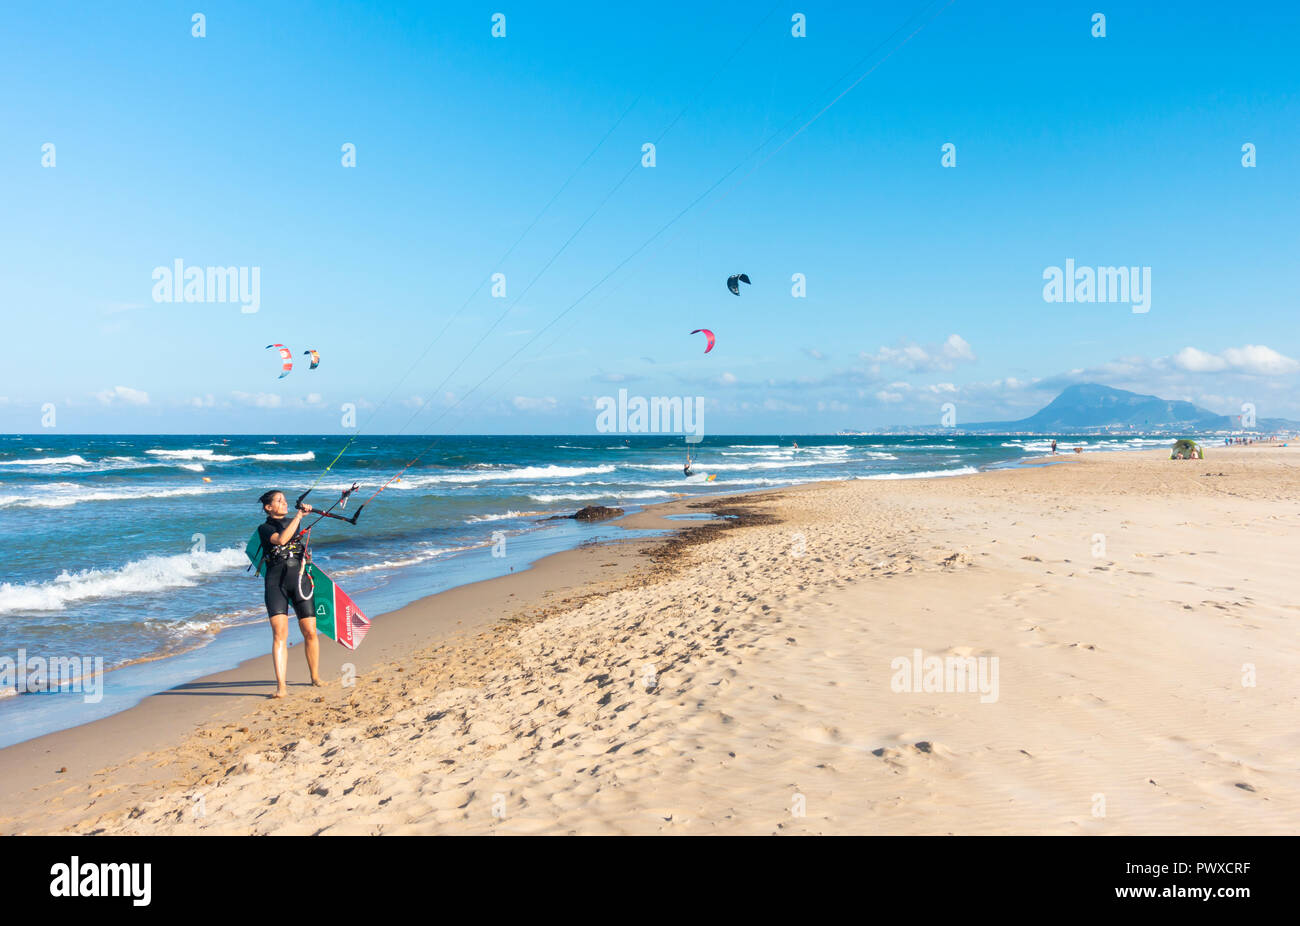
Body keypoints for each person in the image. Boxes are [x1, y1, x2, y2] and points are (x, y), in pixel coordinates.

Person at [255, 490, 323, 698]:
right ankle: (281, 687)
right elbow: (282, 540)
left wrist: (301, 517)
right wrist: (299, 516)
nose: (284, 503)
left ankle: (315, 677)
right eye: (279, 501)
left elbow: (293, 532)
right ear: (268, 507)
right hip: (276, 584)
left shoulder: (294, 522)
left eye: (285, 500)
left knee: (310, 631)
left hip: (300, 580)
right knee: (279, 635)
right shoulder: (264, 528)